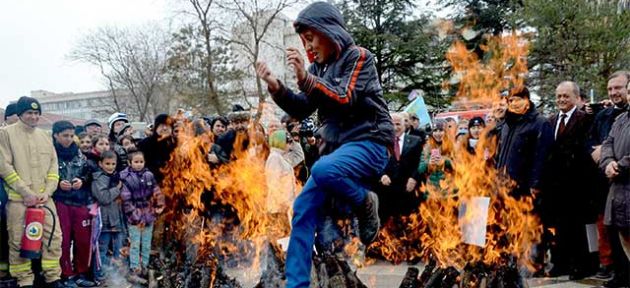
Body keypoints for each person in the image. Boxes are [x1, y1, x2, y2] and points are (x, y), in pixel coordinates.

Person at [255, 2, 394, 286]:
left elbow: (345, 96)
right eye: (304, 40)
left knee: (323, 169)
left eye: (311, 37)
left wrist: (307, 78)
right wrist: (276, 86)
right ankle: (297, 283)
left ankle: (366, 201)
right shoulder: (319, 68)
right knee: (302, 210)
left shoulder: (360, 57)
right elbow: (303, 106)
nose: (308, 46)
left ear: (328, 32)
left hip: (370, 141)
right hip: (337, 152)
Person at [0, 96, 64, 287]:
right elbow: (4, 166)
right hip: (19, 200)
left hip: (45, 200)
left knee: (53, 237)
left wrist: (49, 191)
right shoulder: (6, 134)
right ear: (20, 114)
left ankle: (53, 277)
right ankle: (24, 279)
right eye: (29, 113)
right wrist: (25, 192)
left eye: (37, 113)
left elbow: (54, 167)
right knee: (18, 241)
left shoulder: (45, 136)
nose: (34, 117)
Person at [543, 81, 598, 279]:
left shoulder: (585, 119)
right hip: (556, 186)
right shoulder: (550, 122)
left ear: (576, 97)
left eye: (566, 96)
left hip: (578, 184)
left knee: (578, 228)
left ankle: (581, 265)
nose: (561, 100)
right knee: (560, 228)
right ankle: (562, 264)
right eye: (558, 96)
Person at [51, 121, 97, 287]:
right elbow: (44, 175)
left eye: (71, 135)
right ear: (55, 135)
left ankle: (81, 273)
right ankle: (66, 274)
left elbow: (90, 173)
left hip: (80, 202)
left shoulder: (80, 154)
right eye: (65, 135)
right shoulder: (51, 154)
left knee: (83, 239)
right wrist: (57, 183)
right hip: (60, 201)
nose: (69, 139)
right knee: (62, 240)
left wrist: (82, 181)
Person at [596, 71, 630, 287]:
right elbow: (607, 143)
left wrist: (621, 165)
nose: (615, 92)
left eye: (620, 88)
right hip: (618, 190)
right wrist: (608, 162)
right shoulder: (620, 120)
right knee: (621, 235)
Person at [495, 86, 553, 198]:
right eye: (511, 100)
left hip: (525, 189)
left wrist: (536, 184)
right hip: (503, 187)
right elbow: (501, 155)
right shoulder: (506, 125)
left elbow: (543, 157)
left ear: (527, 101)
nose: (514, 104)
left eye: (518, 100)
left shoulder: (540, 123)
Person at [119, 149, 164, 279]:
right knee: (134, 243)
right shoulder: (125, 177)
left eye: (141, 162)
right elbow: (126, 200)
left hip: (149, 214)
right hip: (134, 217)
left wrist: (159, 205)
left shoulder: (149, 175)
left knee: (146, 243)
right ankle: (135, 267)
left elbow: (157, 191)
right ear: (129, 162)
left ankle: (145, 265)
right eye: (136, 162)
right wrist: (135, 216)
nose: (139, 164)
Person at [378, 113, 424, 219]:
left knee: (408, 220)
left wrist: (414, 178)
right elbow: (376, 162)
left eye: (398, 124)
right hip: (387, 188)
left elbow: (420, 162)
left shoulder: (416, 141)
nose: (395, 127)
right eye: (392, 124)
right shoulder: (383, 142)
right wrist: (382, 175)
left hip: (408, 187)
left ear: (404, 125)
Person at [91, 151, 124, 276]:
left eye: (113, 164)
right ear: (100, 164)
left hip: (117, 220)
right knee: (102, 250)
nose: (110, 166)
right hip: (104, 221)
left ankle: (116, 277)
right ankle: (99, 275)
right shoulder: (98, 179)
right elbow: (103, 198)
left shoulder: (116, 177)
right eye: (107, 164)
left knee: (118, 250)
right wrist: (117, 189)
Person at [418, 120, 454, 192]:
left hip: (450, 189)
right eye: (435, 131)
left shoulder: (453, 146)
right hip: (431, 190)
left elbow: (460, 167)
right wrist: (428, 163)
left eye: (441, 130)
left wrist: (445, 161)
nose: (438, 133)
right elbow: (419, 169)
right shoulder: (426, 147)